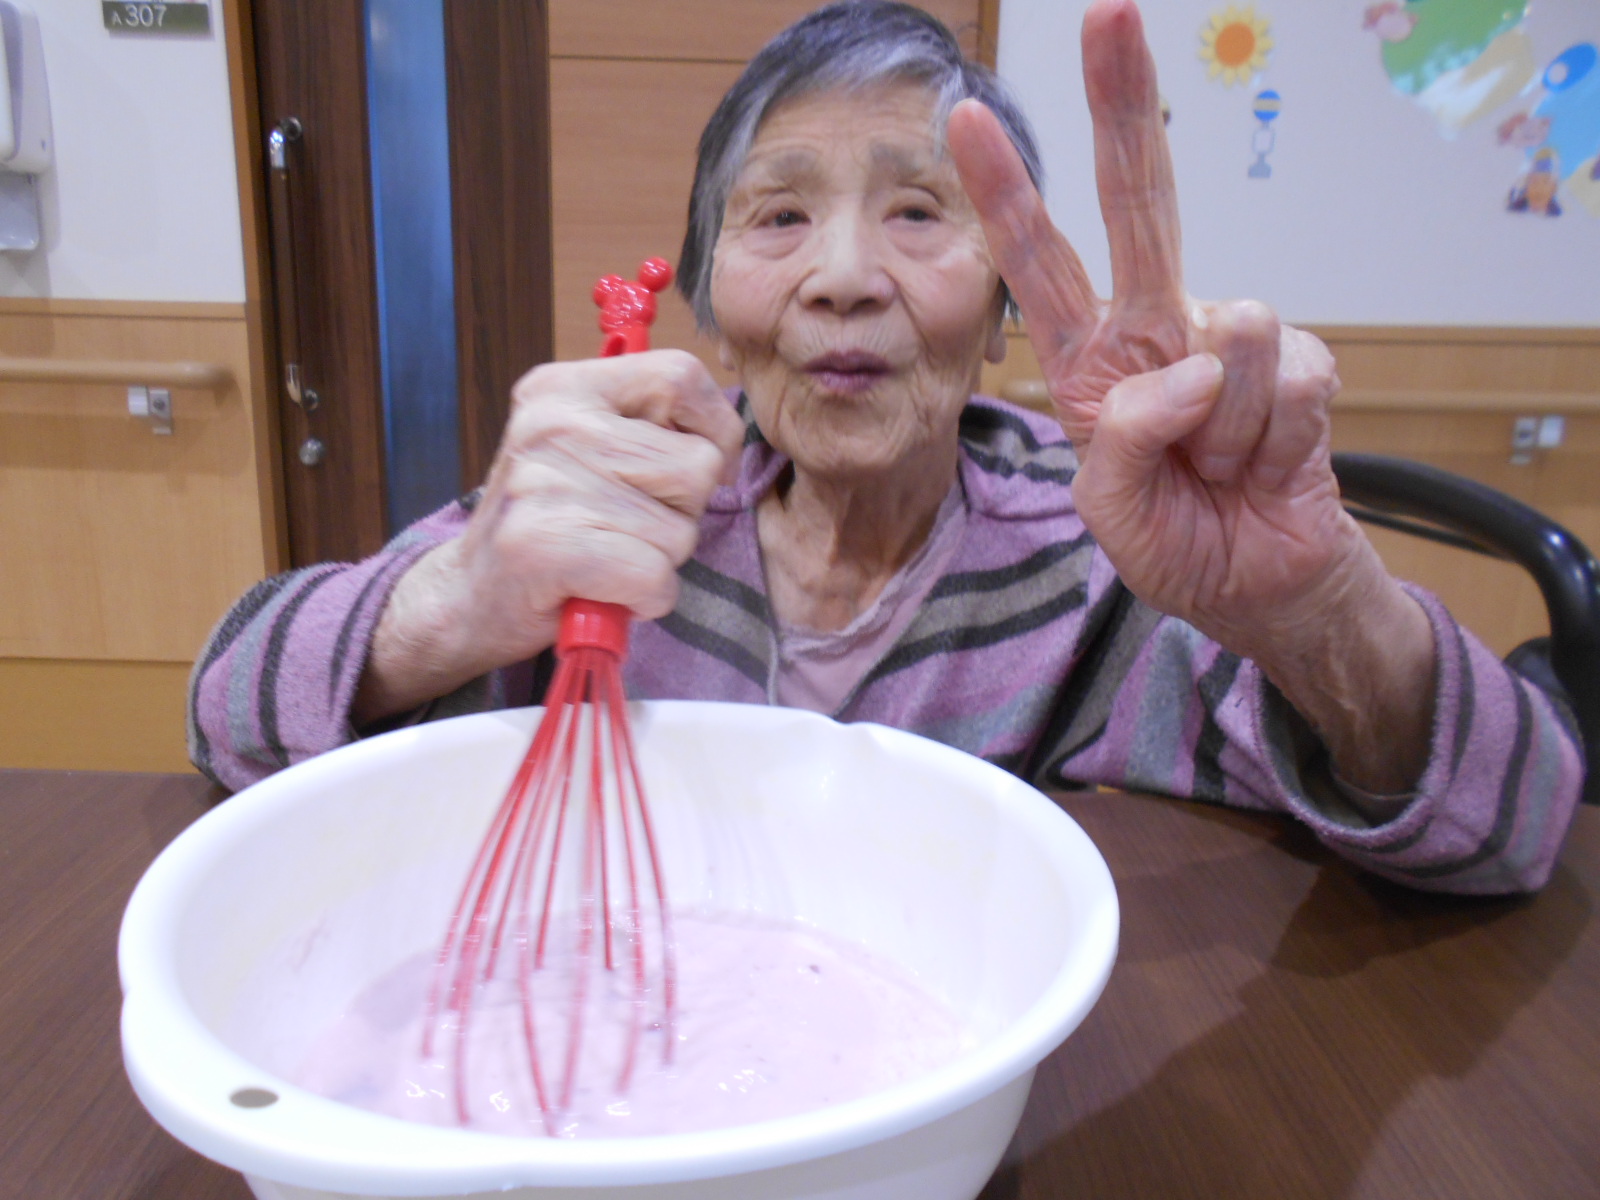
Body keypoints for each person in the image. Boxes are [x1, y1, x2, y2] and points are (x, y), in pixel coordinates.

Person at [191, 0, 1581, 893]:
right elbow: (229, 711)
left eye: (919, 212)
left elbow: (1516, 820)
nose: (845, 277)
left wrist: (1320, 610)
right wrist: (455, 598)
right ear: (708, 297)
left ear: (1005, 309)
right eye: (778, 215)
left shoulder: (1109, 553)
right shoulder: (627, 492)